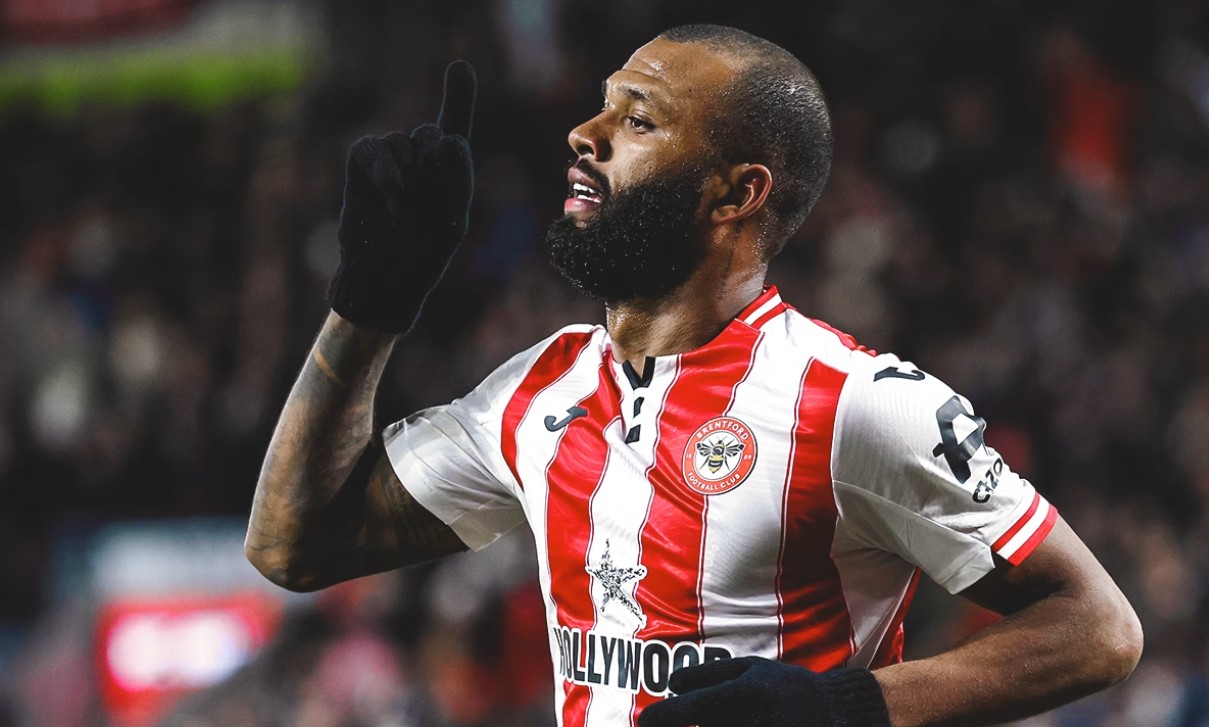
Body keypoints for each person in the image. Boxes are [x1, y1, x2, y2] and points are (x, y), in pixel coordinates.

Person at [245, 24, 1143, 727]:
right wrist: (370, 303)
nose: (584, 134)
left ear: (737, 192)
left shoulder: (854, 402)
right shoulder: (537, 389)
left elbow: (1097, 626)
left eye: (637, 120)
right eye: (602, 108)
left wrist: (844, 707)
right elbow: (294, 545)